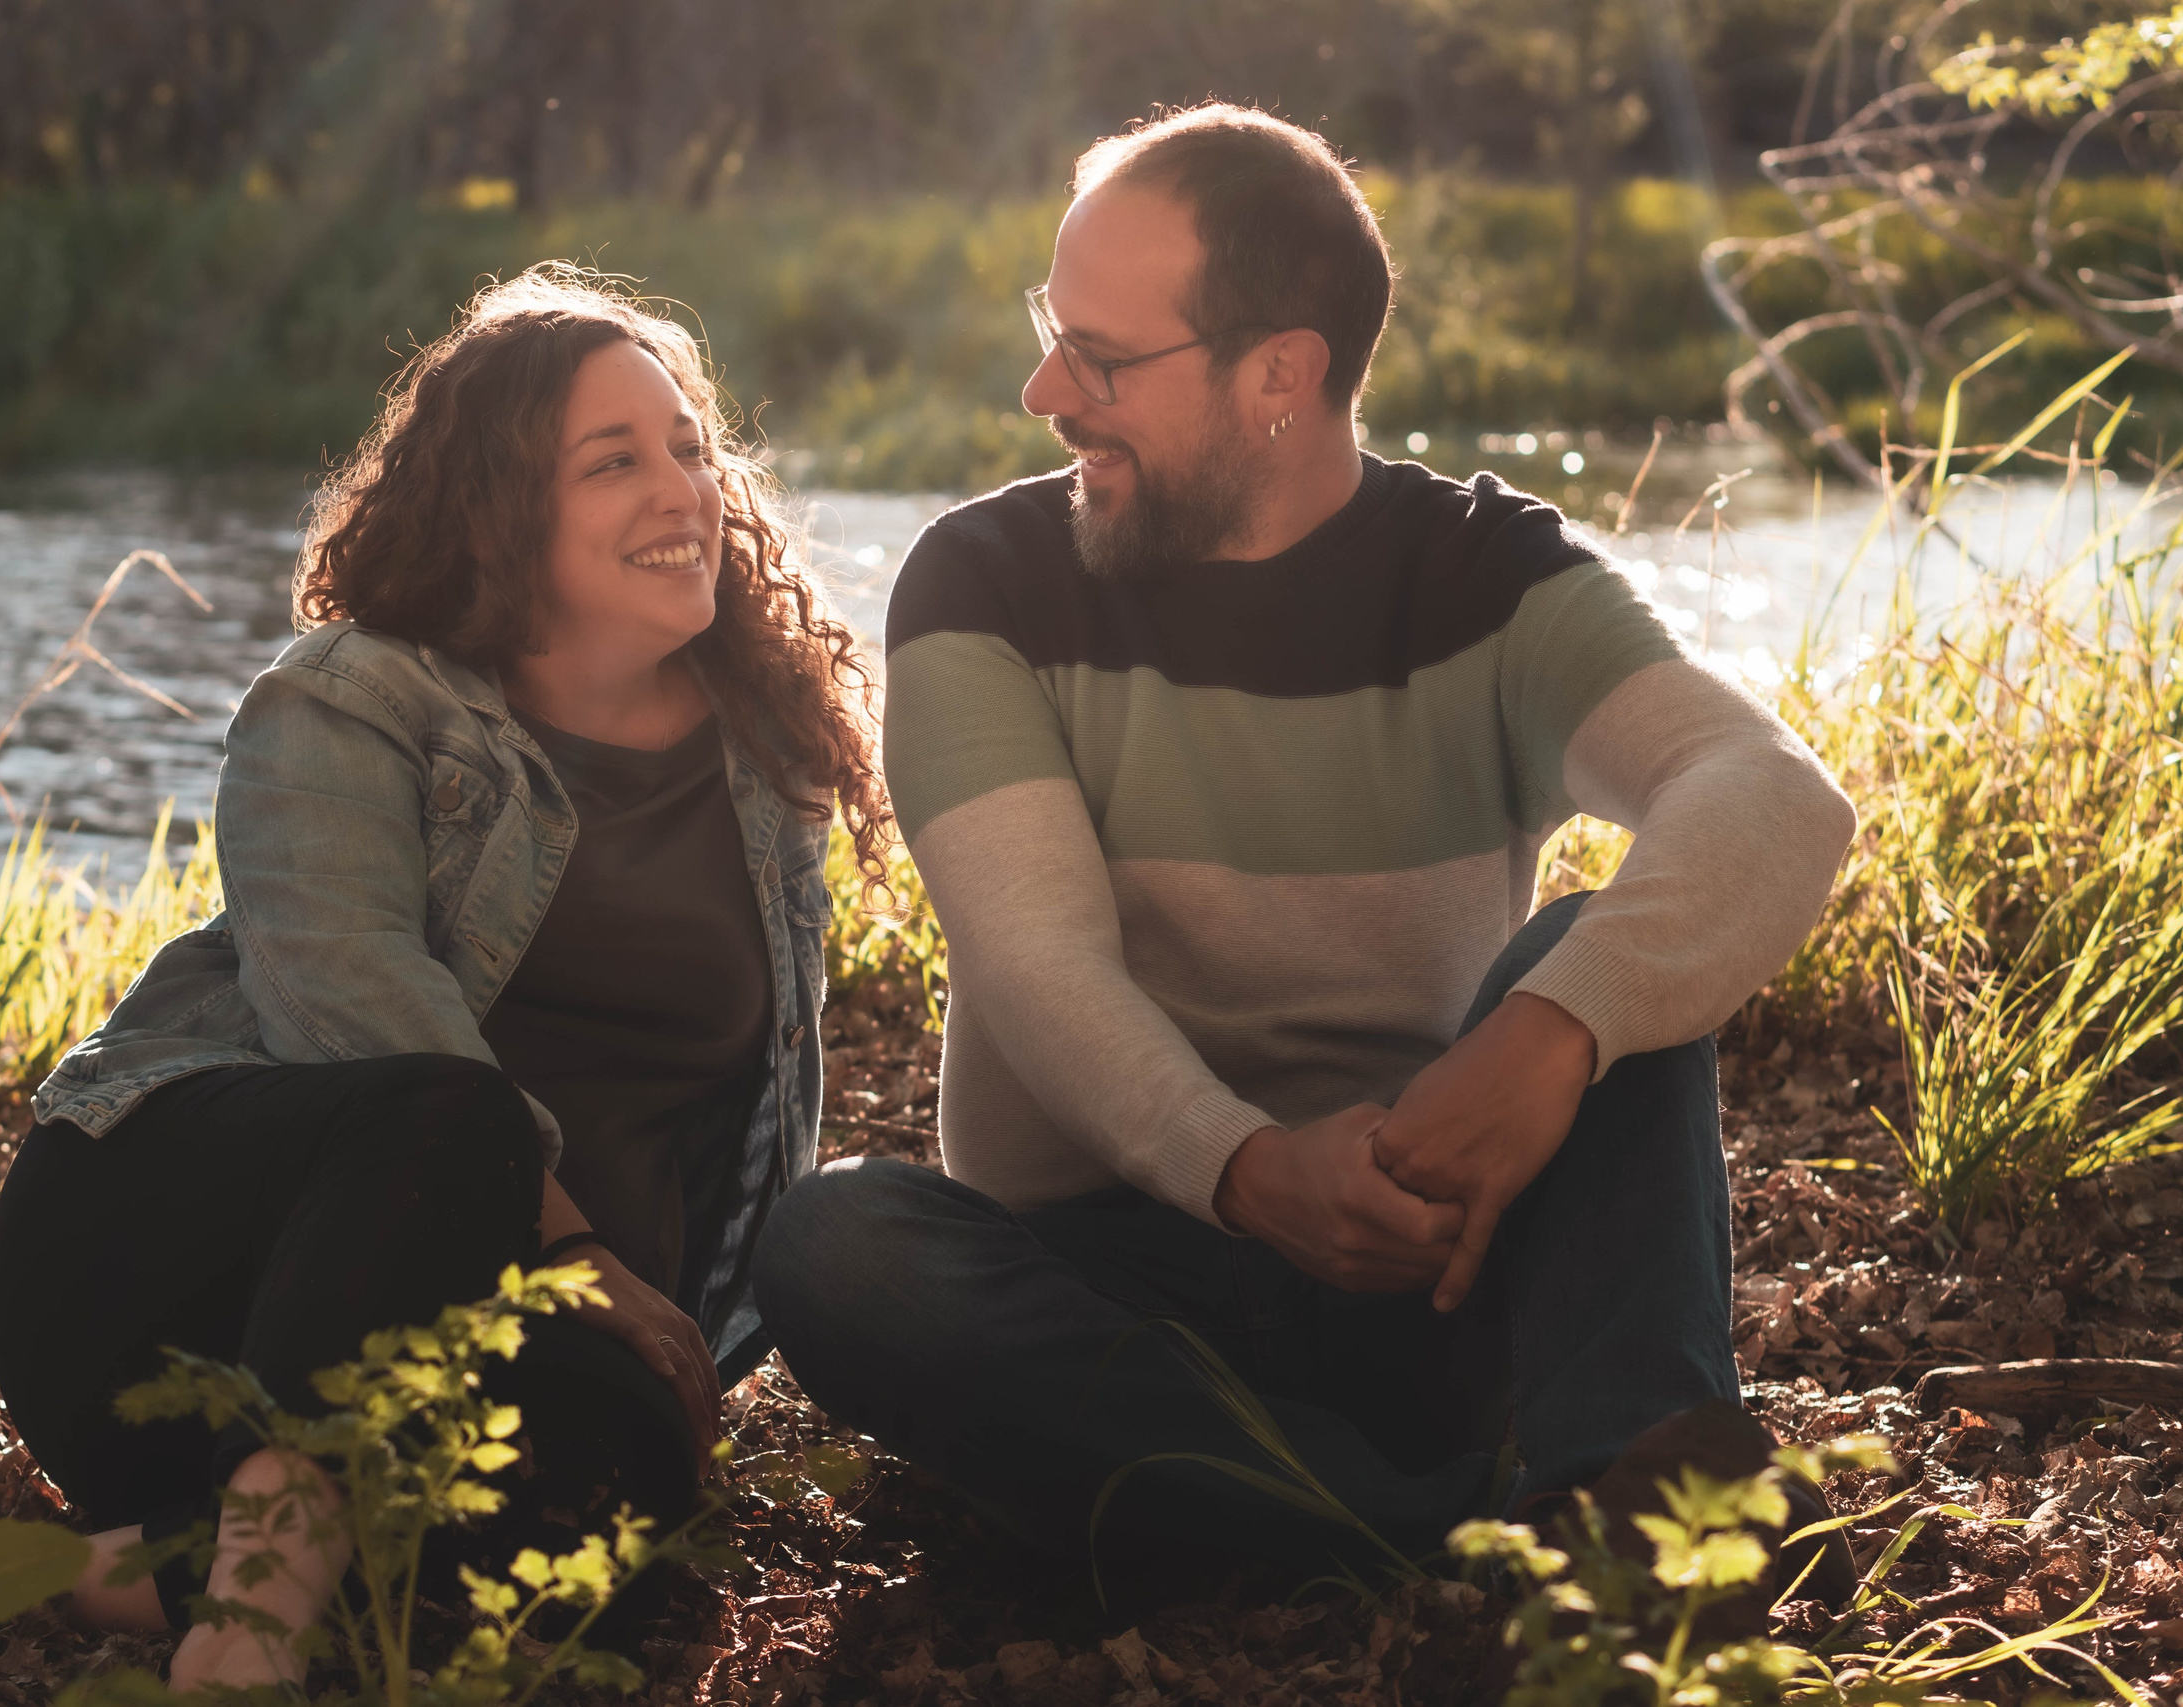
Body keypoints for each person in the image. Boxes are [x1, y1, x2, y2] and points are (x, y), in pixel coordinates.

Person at [753, 104, 1861, 1610]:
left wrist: (1550, 1036)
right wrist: (1251, 1170)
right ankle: (1484, 1537)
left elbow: (1772, 791)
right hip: (1112, 1287)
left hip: (1435, 1255)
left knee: (1596, 963)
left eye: (1101, 358)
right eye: (1049, 332)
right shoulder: (984, 585)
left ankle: (1604, 1491)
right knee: (836, 1241)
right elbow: (1038, 964)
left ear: (1280, 372)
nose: (1044, 393)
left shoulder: (1488, 578)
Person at [0, 265, 889, 1690]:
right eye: (615, 462)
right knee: (455, 1112)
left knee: (624, 1518)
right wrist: (578, 1254)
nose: (684, 491)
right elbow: (345, 1004)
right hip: (166, 1277)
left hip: (485, 1330)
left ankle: (96, 1573)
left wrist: (633, 1306)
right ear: (500, 507)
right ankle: (243, 1642)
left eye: (689, 449)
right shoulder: (351, 697)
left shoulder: (763, 751)